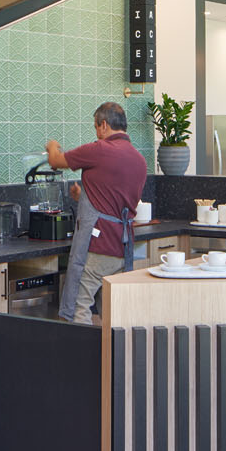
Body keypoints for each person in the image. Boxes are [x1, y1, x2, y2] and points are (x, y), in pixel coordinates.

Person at [45, 102, 147, 324]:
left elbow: (55, 161)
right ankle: (112, 357)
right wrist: (83, 195)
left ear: (103, 125)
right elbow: (113, 199)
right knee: (113, 311)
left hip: (98, 245)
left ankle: (82, 356)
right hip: (123, 246)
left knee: (79, 305)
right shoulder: (139, 160)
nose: (96, 133)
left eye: (95, 127)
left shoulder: (99, 150)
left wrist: (52, 145)